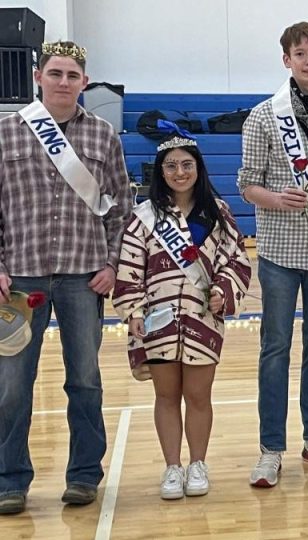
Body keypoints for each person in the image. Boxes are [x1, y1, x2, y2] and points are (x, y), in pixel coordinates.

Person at [0, 40, 132, 515]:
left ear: (83, 81)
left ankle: (83, 475)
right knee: (12, 384)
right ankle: (9, 479)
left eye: (72, 75)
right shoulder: (6, 133)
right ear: (38, 76)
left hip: (83, 277)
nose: (63, 82)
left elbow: (120, 207)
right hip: (18, 279)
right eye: (55, 73)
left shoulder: (102, 136)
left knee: (85, 379)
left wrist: (112, 263)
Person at [238, 21, 308, 486]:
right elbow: (246, 184)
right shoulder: (264, 116)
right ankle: (271, 448)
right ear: (286, 59)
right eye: (300, 53)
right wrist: (275, 197)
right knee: (275, 347)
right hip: (281, 250)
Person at [112, 131, 251, 500]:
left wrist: (222, 289)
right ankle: (172, 467)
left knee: (199, 395)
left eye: (186, 164)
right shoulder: (144, 216)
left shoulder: (218, 213)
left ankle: (198, 464)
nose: (179, 172)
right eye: (171, 165)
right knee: (166, 395)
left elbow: (237, 259)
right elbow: (129, 267)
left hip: (203, 318)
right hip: (157, 321)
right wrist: (134, 310)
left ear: (198, 168)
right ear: (160, 170)